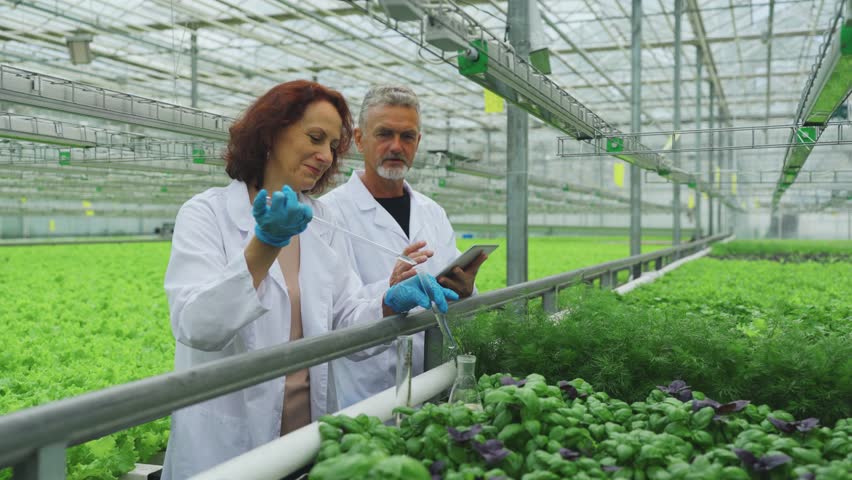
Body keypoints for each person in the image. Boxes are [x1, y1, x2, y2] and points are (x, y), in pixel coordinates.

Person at [160, 80, 458, 480]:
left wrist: (388, 300)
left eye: (332, 145)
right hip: (230, 443)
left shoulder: (320, 219)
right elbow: (198, 326)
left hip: (304, 438)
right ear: (270, 132)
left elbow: (346, 315)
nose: (324, 156)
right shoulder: (206, 215)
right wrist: (265, 244)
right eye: (315, 138)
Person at [321, 85, 486, 409]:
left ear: (418, 143)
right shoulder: (330, 214)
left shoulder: (432, 212)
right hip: (365, 394)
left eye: (407, 137)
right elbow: (331, 315)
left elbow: (452, 293)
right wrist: (390, 290)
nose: (396, 146)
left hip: (433, 381)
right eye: (384, 134)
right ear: (359, 138)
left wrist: (465, 290)